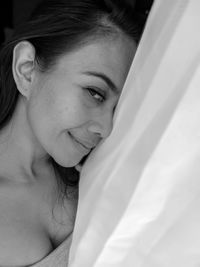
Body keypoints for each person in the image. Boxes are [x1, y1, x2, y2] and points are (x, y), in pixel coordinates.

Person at [0, 0, 142, 266]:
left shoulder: (99, 173)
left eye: (117, 108)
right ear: (27, 69)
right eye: (95, 92)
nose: (106, 128)